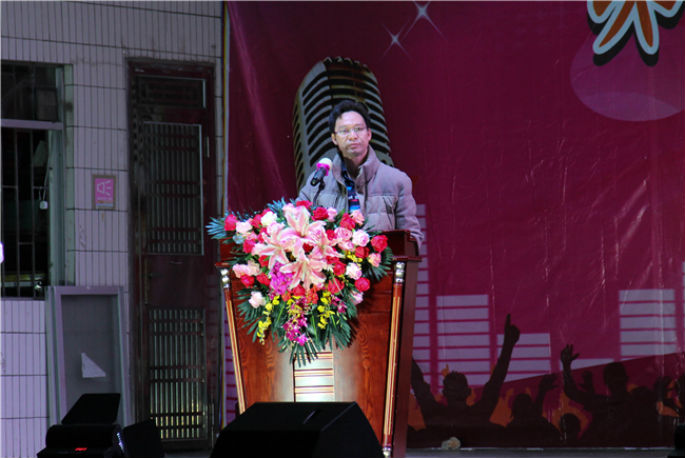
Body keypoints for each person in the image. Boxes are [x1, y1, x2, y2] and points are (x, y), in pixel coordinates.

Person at [298, 99, 424, 247]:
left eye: (358, 129)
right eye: (344, 131)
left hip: (381, 261)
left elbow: (412, 239)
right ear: (334, 138)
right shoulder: (319, 182)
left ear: (369, 134)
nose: (352, 136)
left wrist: (381, 252)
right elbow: (296, 222)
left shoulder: (396, 181)